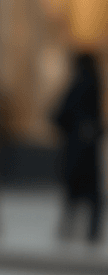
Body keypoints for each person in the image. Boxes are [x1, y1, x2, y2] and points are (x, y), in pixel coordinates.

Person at [52, 51, 104, 243]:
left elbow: (61, 113)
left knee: (75, 191)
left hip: (77, 149)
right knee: (90, 195)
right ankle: (90, 232)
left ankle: (71, 230)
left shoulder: (79, 85)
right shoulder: (94, 85)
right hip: (86, 149)